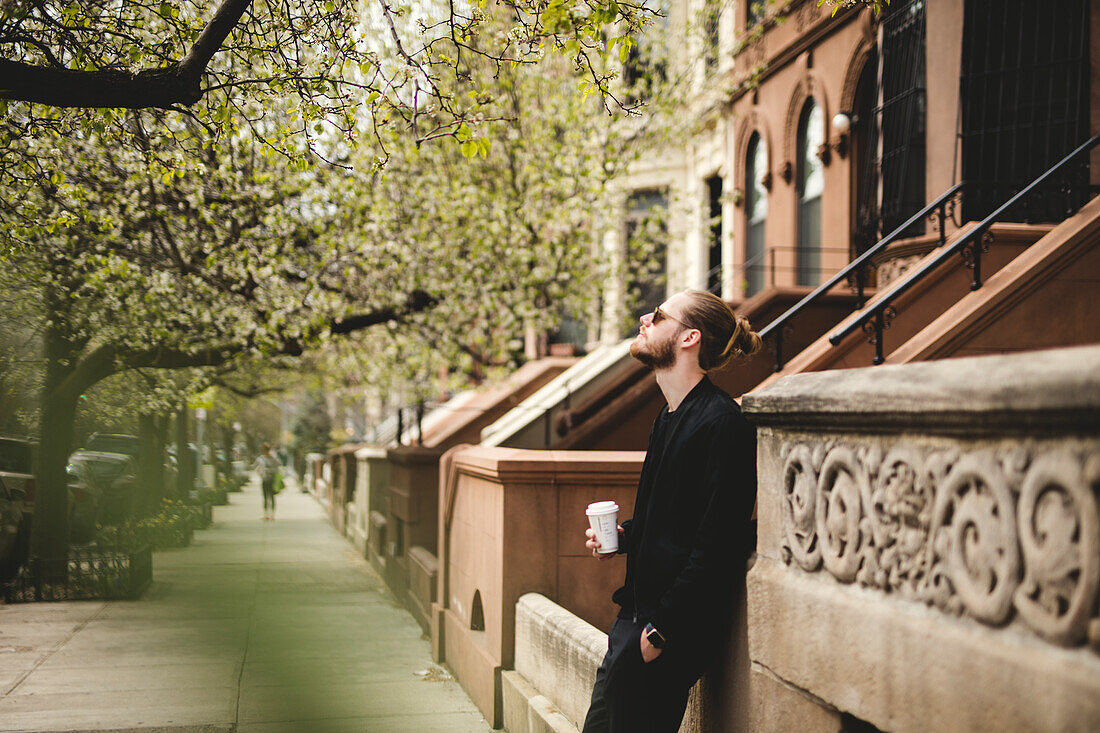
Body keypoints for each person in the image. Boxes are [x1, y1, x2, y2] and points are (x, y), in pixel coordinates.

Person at [582, 289, 762, 733]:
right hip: (635, 620)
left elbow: (719, 543)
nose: (646, 317)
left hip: (664, 631)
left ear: (689, 338)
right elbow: (671, 520)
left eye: (660, 315)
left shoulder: (723, 424)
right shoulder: (668, 416)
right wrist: (624, 535)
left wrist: (661, 631)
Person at [253, 443, 280, 520]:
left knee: (272, 497)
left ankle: (272, 515)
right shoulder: (261, 459)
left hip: (272, 480)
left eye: (264, 450)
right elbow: (254, 466)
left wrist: (269, 470)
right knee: (265, 497)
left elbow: (277, 468)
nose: (263, 452)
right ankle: (265, 514)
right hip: (264, 480)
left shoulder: (273, 458)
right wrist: (259, 472)